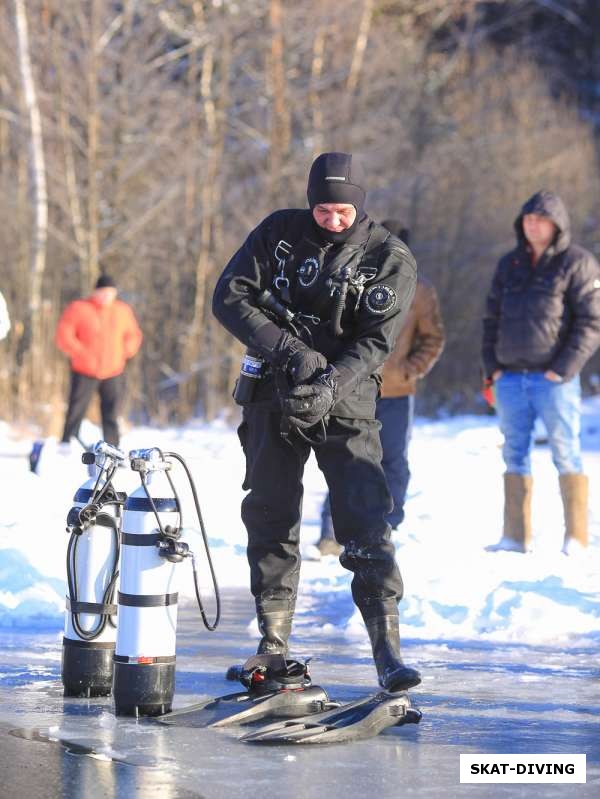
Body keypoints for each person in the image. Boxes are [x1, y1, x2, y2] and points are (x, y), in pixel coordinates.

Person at [212, 152, 421, 693]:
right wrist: (287, 349)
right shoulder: (279, 233)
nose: (332, 219)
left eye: (343, 211)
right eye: (324, 209)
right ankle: (274, 642)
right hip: (272, 392)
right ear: (311, 203)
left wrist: (329, 381)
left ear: (360, 206)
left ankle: (387, 650)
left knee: (365, 515)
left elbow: (376, 342)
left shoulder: (389, 257)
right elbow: (229, 296)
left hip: (347, 397)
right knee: (270, 510)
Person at [482, 190, 600, 555]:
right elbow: (490, 319)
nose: (532, 225)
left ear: (556, 224)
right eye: (527, 219)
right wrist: (493, 368)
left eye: (540, 219)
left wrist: (562, 370)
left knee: (566, 452)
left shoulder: (577, 262)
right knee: (514, 454)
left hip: (554, 381)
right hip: (510, 379)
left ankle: (576, 539)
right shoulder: (509, 264)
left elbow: (591, 322)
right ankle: (515, 537)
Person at [317, 220, 445, 555]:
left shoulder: (420, 289)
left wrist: (408, 371)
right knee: (345, 457)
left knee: (393, 461)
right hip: (351, 387)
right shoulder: (349, 277)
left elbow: (433, 339)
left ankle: (390, 525)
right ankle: (332, 531)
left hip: (397, 392)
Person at [55, 274, 143, 447]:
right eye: (102, 292)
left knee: (111, 412)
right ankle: (67, 445)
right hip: (84, 369)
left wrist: (124, 352)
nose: (106, 296)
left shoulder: (122, 311)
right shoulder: (79, 308)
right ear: (95, 292)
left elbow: (134, 335)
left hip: (113, 370)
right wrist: (79, 352)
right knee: (76, 410)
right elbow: (63, 334)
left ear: (115, 293)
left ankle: (112, 448)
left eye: (109, 292)